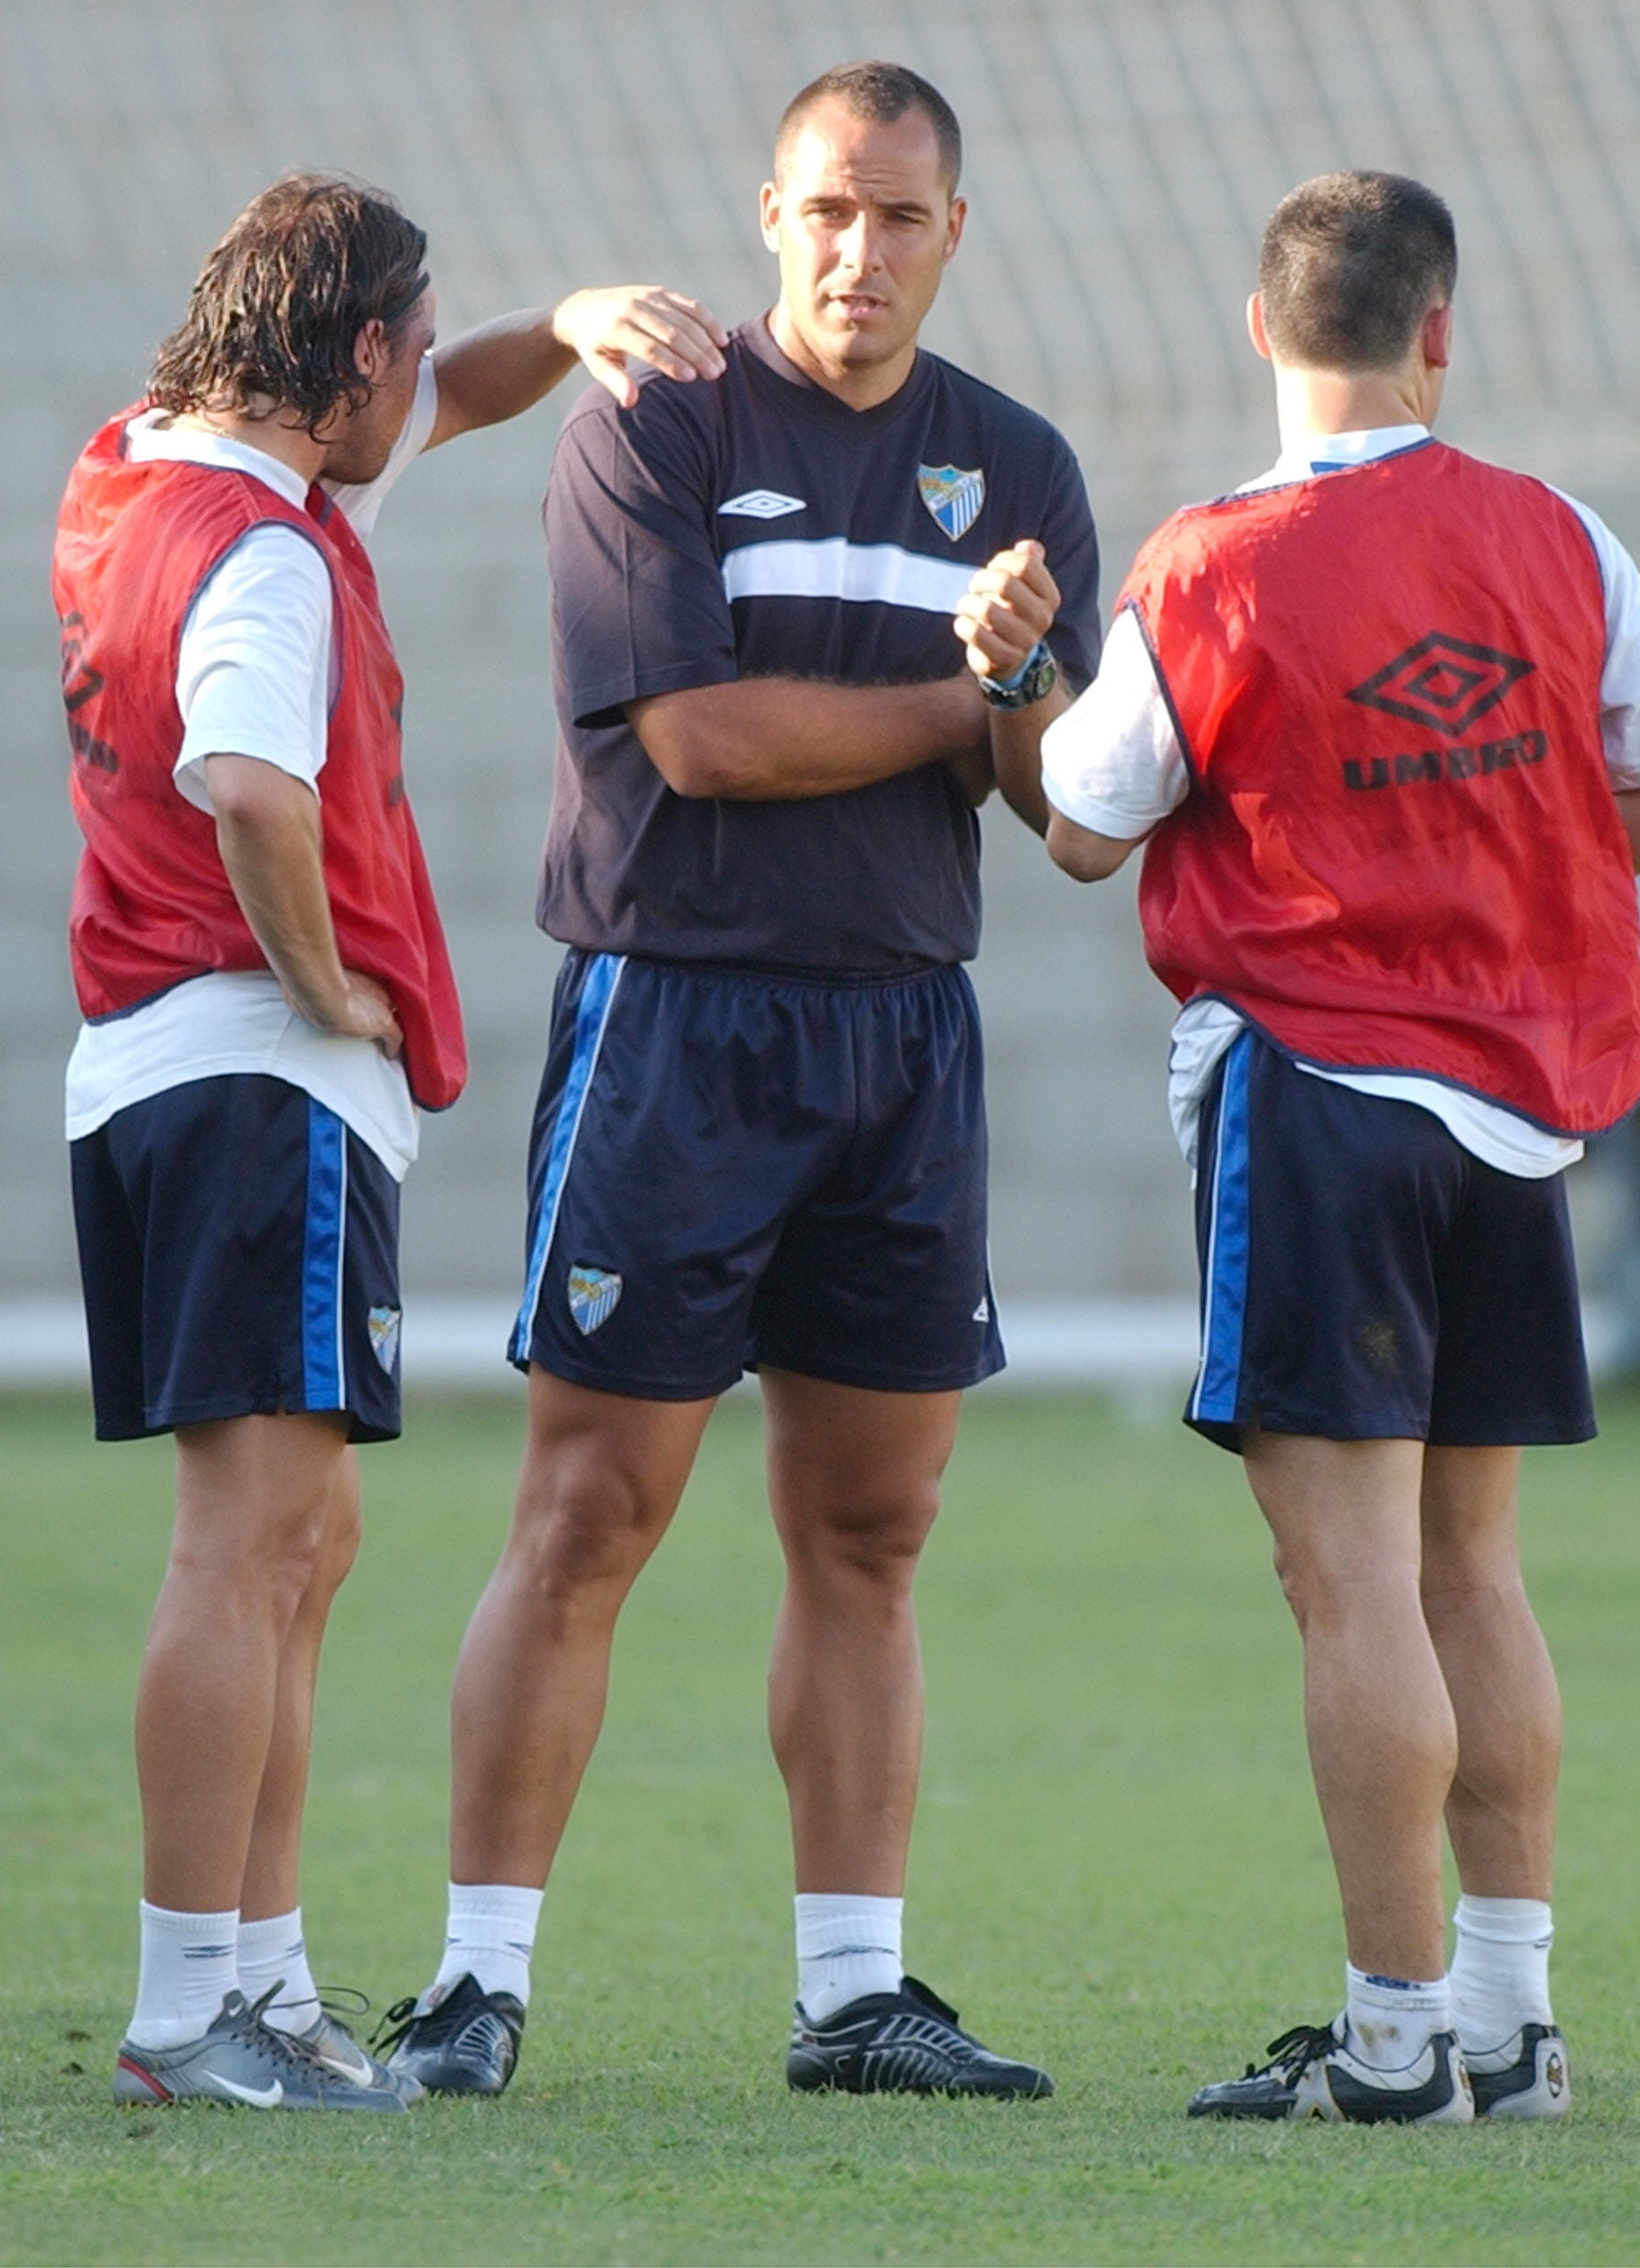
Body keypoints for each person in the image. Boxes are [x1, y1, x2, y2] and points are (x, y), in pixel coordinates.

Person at [376, 63, 1099, 2101]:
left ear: (954, 233)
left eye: (897, 220)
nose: (856, 255)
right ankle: (474, 1982)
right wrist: (953, 699)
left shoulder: (1016, 465)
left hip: (899, 1032)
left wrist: (1029, 685)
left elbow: (1065, 818)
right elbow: (696, 740)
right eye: (824, 214)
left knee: (871, 1530)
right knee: (590, 1505)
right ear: (764, 215)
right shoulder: (654, 426)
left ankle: (854, 1996)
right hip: (675, 1018)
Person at [1011, 170, 1640, 2124]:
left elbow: (1084, 827)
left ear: (1256, 330)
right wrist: (1518, 886)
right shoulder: (1550, 530)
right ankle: (1510, 2029)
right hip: (1514, 1117)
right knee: (1471, 1572)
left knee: (1345, 1585)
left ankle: (1391, 2037)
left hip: (1319, 1098)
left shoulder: (1206, 560)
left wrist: (1016, 675)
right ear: (1439, 328)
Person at [53, 172, 726, 2111]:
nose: (429, 381)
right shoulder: (262, 548)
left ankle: (258, 1979)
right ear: (346, 355)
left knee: (302, 1539)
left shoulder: (143, 461)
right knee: (245, 1538)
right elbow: (253, 786)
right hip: (253, 1071)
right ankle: (189, 2002)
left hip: (163, 1069)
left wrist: (568, 321)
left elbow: (460, 395)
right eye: (411, 349)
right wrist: (329, 981)